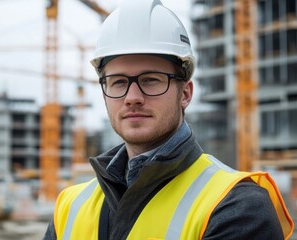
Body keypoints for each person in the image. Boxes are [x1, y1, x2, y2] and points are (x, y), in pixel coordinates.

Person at [44, 0, 294, 239]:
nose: (132, 97)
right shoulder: (70, 206)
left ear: (185, 94)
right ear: (104, 92)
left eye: (151, 80)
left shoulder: (236, 205)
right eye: (119, 82)